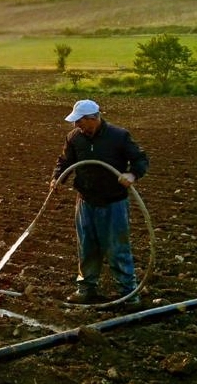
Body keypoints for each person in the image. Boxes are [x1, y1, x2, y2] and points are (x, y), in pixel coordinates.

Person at [50, 99, 149, 305]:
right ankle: (86, 289)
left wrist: (131, 175)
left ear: (93, 118)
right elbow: (65, 161)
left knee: (117, 248)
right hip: (85, 200)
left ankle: (128, 293)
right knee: (86, 246)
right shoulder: (74, 138)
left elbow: (140, 159)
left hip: (113, 202)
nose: (76, 126)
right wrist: (57, 177)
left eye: (80, 122)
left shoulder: (119, 136)